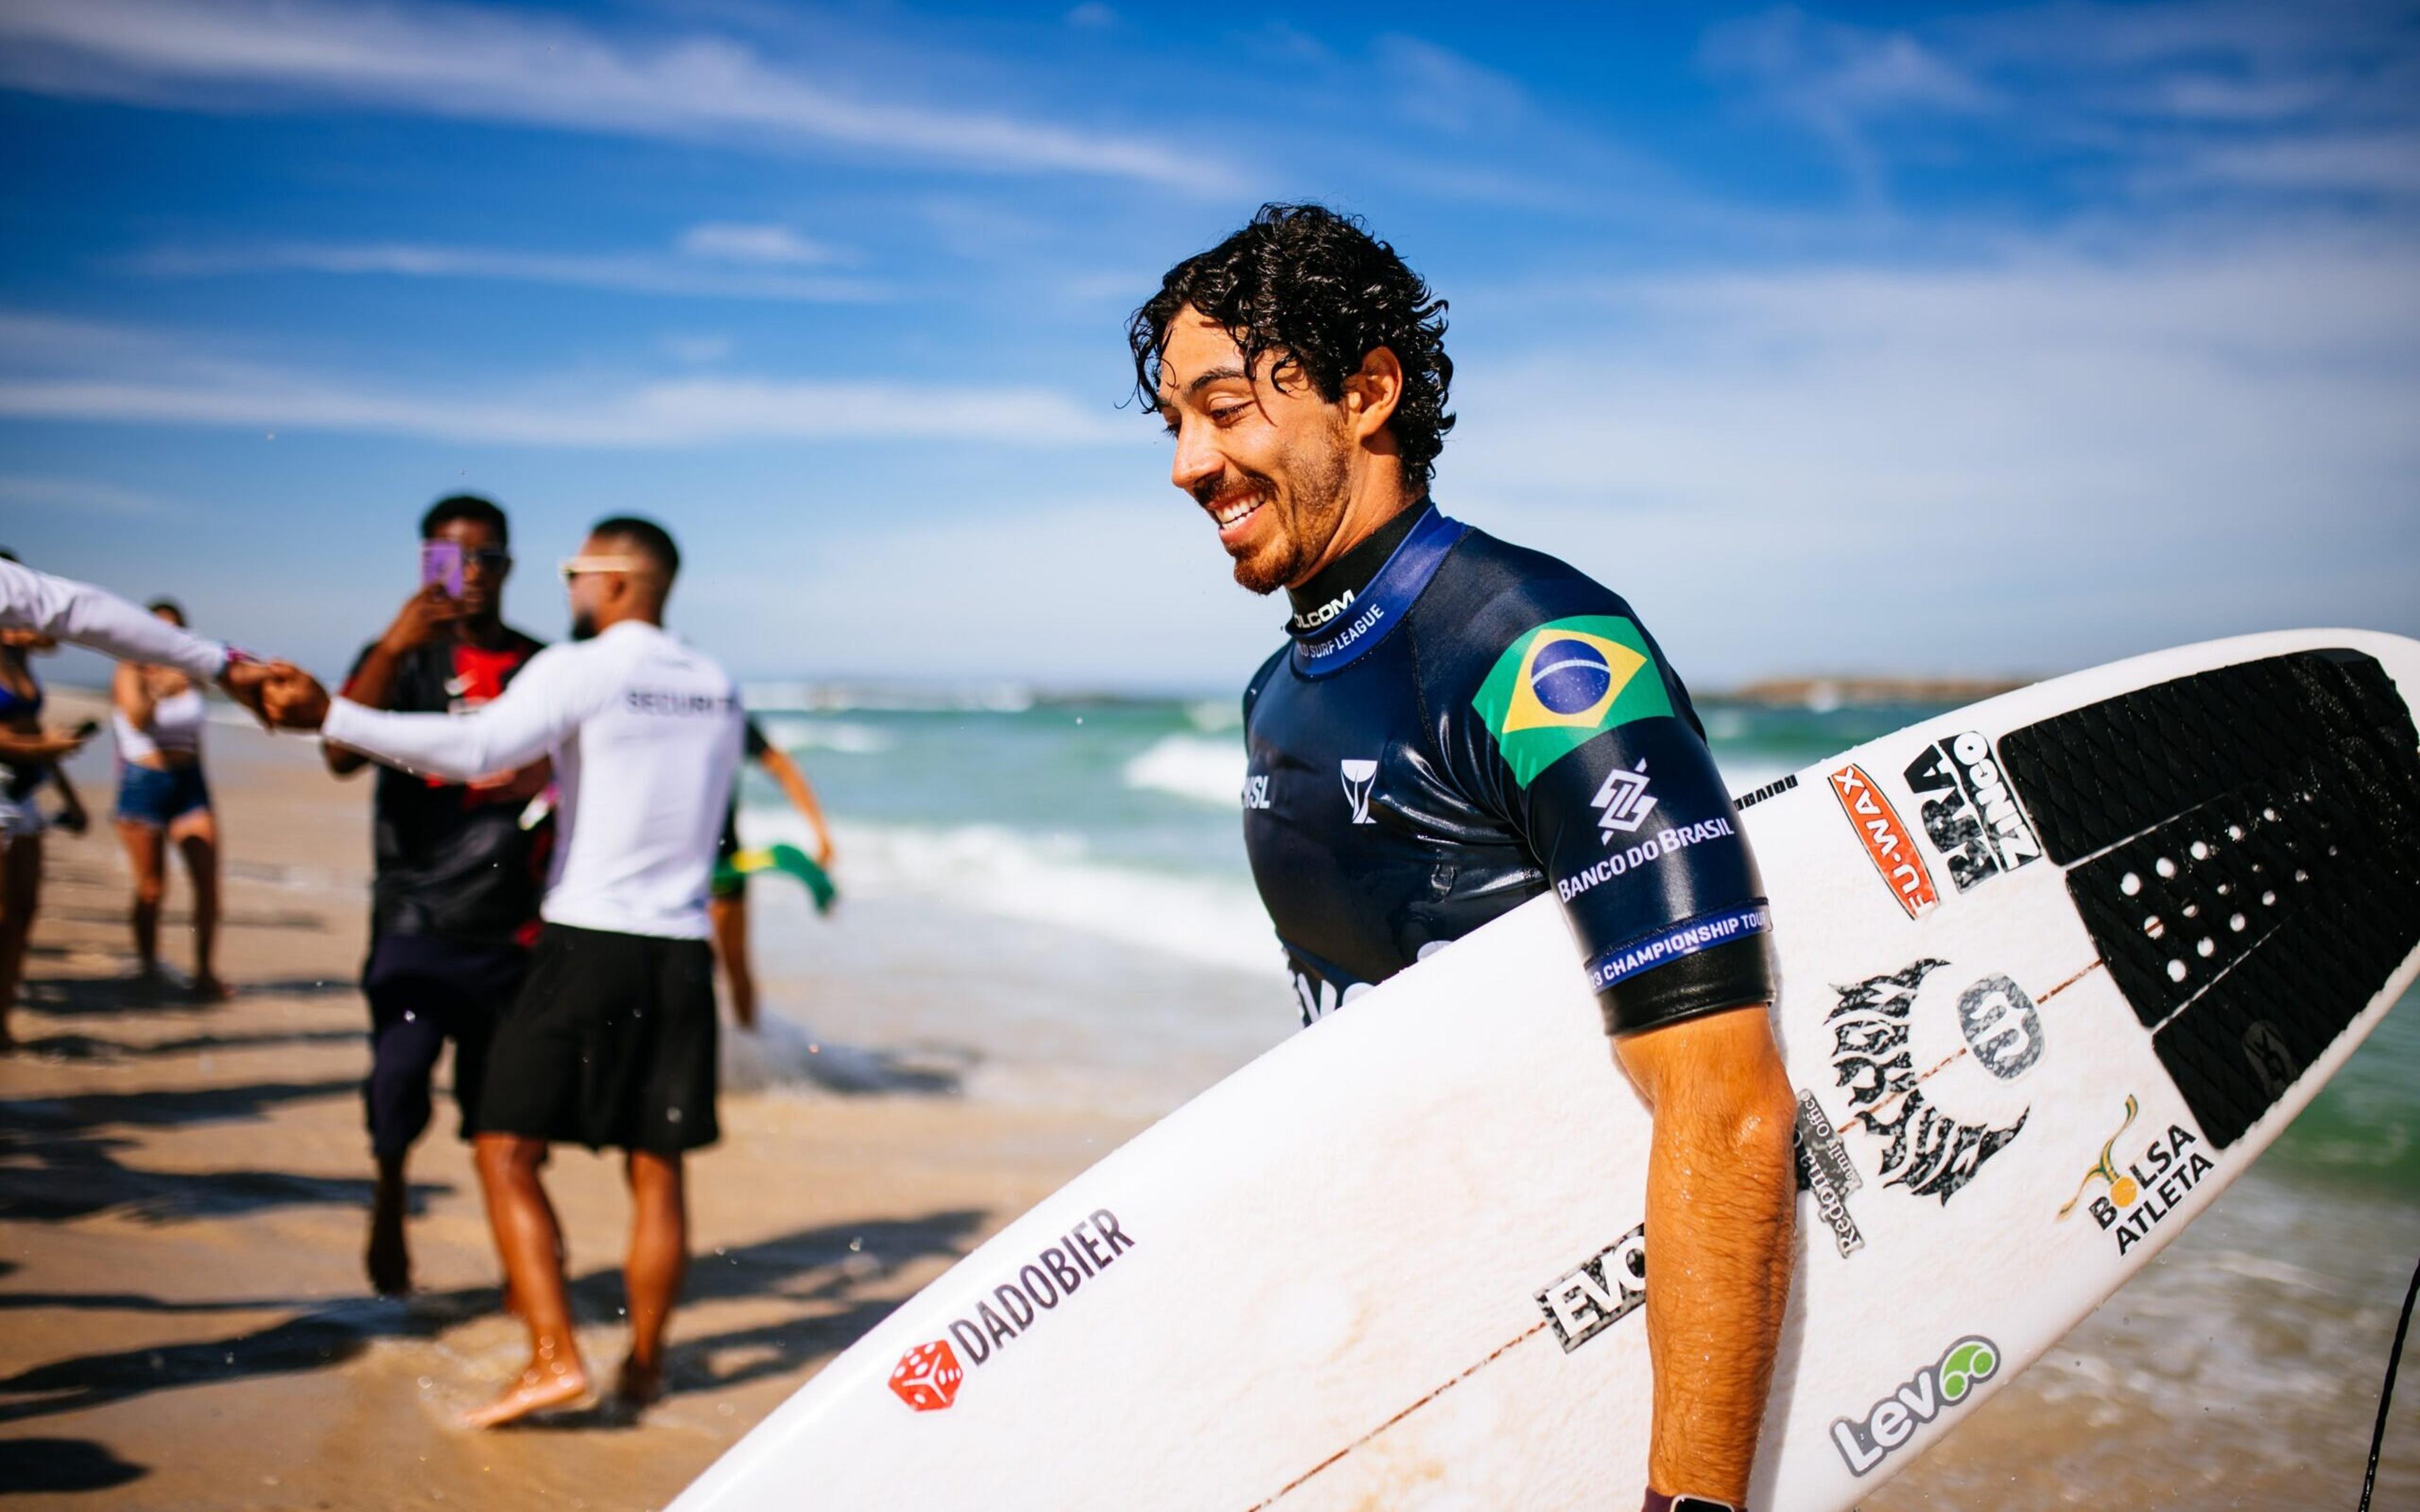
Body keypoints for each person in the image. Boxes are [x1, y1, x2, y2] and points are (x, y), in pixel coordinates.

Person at [1129, 205, 1795, 1512]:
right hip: (1437, 1349)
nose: (1187, 464)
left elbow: (1727, 1100)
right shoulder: (1282, 689)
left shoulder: (1539, 653)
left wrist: (1694, 1499)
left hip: (1602, 1359)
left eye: (1224, 408)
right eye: (1173, 424)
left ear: (1367, 391)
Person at [260, 517, 742, 1429]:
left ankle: (553, 1357)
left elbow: (480, 751)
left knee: (503, 1147)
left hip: (585, 940)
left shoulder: (578, 664)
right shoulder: (716, 684)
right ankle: (645, 1371)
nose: (568, 591)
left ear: (616, 582)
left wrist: (331, 713)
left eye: (575, 571)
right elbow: (673, 804)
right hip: (680, 953)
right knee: (658, 1169)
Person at [323, 496, 551, 1297]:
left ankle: (521, 1278)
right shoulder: (401, 660)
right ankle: (389, 1193)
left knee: (504, 1118)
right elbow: (339, 755)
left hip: (511, 927)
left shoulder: (540, 665)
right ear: (424, 564)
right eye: (450, 560)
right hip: (415, 914)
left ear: (509, 566)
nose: (470, 576)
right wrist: (392, 645)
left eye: (485, 558)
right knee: (399, 1076)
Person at [112, 599, 228, 999]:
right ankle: (148, 965)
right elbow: (137, 718)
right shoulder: (129, 670)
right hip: (144, 782)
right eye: (157, 628)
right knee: (153, 887)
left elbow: (197, 732)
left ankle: (204, 973)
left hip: (190, 783)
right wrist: (160, 686)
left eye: (174, 629)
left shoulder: (191, 674)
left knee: (208, 884)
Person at [0, 554, 280, 714]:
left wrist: (221, 663)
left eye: (175, 629)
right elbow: (78, 611)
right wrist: (221, 664)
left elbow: (76, 610)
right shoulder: (130, 670)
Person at [0, 601, 92, 1050]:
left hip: (26, 794)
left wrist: (71, 796)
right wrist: (39, 747)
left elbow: (34, 730)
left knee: (24, 911)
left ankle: (4, 1017)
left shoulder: (19, 661)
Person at [710, 718, 836, 1031]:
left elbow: (780, 765)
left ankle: (749, 1059)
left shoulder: (719, 709)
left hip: (722, 860)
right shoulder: (714, 707)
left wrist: (821, 832)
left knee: (731, 964)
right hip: (686, 860)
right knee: (708, 967)